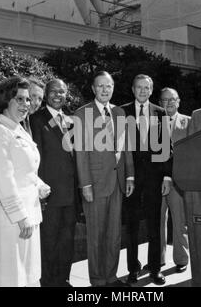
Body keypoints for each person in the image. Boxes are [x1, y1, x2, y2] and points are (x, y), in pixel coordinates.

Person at [0, 76, 51, 287]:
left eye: (27, 100)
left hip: (30, 215)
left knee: (29, 277)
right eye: (19, 100)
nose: (26, 105)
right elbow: (2, 179)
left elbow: (25, 170)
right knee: (11, 280)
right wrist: (21, 217)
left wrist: (39, 185)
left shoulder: (19, 129)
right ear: (6, 101)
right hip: (11, 219)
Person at [74, 71, 135, 287]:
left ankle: (111, 276)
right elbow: (80, 152)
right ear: (93, 88)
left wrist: (129, 175)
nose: (105, 90)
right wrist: (85, 184)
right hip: (95, 183)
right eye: (100, 86)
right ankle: (98, 280)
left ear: (113, 88)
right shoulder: (82, 114)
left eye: (108, 86)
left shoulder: (119, 112)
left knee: (114, 234)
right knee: (96, 235)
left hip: (117, 182)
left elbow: (125, 146)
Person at [121, 74, 172, 285]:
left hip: (154, 178)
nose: (143, 91)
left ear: (151, 91)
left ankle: (155, 268)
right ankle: (133, 268)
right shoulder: (122, 112)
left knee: (154, 224)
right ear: (133, 89)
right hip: (131, 179)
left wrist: (167, 176)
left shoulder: (160, 113)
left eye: (146, 88)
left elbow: (167, 146)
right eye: (139, 87)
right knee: (131, 225)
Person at [30, 79, 78, 287]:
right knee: (48, 242)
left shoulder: (71, 120)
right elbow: (35, 159)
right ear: (47, 94)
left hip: (70, 194)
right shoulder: (36, 119)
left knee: (67, 241)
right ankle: (48, 282)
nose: (58, 95)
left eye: (62, 92)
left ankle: (63, 279)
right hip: (49, 195)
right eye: (54, 91)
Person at [158, 87, 190, 274]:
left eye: (172, 100)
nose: (169, 103)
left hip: (178, 181)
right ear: (160, 102)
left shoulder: (189, 122)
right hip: (158, 181)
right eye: (165, 100)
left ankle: (181, 258)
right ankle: (159, 258)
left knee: (180, 221)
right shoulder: (153, 123)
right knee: (158, 220)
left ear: (178, 101)